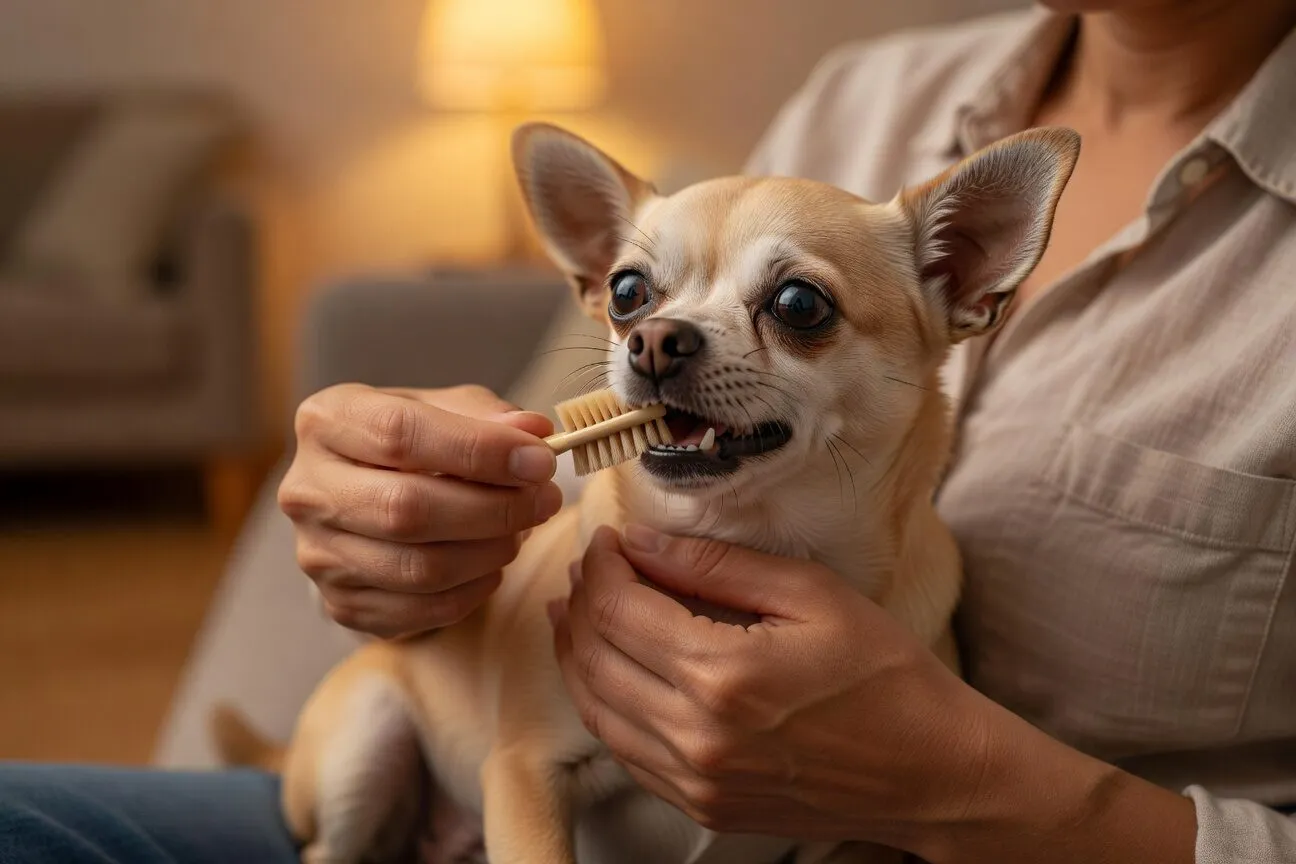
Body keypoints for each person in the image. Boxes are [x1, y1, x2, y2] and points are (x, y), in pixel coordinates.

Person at [2, 1, 1294, 862]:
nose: (661, 338)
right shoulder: (865, 94)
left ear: (970, 279)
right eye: (635, 295)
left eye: (795, 308)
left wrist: (961, 782)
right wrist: (407, 503)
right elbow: (560, 441)